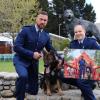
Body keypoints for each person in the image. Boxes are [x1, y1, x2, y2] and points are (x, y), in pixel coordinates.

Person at [13, 11, 61, 100]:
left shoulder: (46, 35)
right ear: (36, 19)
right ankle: (20, 96)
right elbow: (16, 47)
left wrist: (60, 58)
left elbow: (51, 49)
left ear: (47, 22)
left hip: (33, 64)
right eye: (41, 19)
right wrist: (32, 54)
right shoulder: (26, 30)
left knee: (34, 90)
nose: (42, 22)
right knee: (23, 76)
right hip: (21, 60)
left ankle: (19, 85)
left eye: (45, 20)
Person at [61, 24, 100, 100]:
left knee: (81, 81)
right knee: (61, 75)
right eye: (76, 32)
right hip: (78, 71)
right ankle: (89, 86)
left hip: (91, 72)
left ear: (84, 31)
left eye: (80, 31)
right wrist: (66, 53)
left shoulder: (92, 42)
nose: (78, 33)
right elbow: (70, 59)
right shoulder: (72, 44)